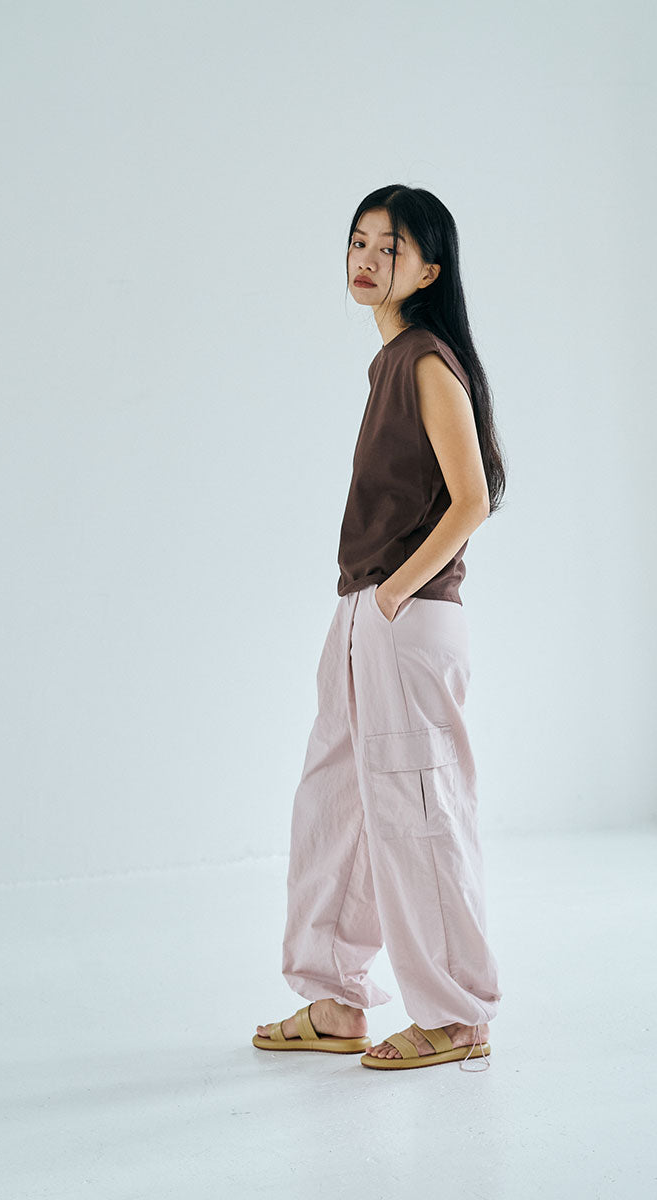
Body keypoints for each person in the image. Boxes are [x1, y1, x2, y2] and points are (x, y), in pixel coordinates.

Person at [253, 185, 507, 1071]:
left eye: (388, 247)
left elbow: (474, 498)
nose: (365, 259)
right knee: (337, 804)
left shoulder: (427, 362)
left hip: (405, 613)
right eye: (358, 241)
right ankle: (333, 1001)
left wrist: (395, 592)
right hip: (366, 611)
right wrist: (372, 603)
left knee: (416, 815)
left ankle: (457, 1016)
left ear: (428, 270)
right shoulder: (391, 360)